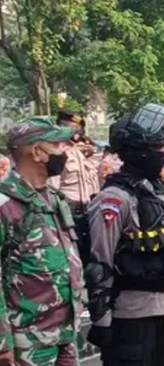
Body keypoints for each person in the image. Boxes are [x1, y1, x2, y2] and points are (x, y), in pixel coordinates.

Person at [86, 104, 164, 366]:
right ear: (137, 153)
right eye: (156, 150)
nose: (162, 156)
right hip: (130, 314)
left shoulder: (157, 191)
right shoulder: (115, 199)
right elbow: (100, 263)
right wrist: (101, 321)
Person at [0, 116, 86, 365]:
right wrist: (3, 342)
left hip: (64, 332)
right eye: (57, 146)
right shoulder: (6, 206)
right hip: (27, 340)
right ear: (37, 152)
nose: (64, 152)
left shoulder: (54, 199)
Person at [50, 110, 101, 262]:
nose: (76, 132)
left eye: (78, 129)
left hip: (87, 213)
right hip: (66, 213)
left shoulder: (80, 152)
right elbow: (53, 188)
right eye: (71, 128)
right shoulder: (58, 152)